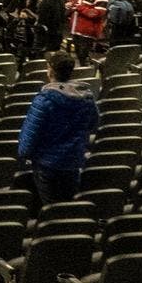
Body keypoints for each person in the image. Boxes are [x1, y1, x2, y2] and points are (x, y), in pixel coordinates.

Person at [18, 52, 100, 207]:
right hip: (73, 160)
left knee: (52, 208)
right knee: (68, 205)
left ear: (50, 70)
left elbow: (29, 137)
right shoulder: (86, 97)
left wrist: (25, 154)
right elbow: (93, 123)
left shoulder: (43, 101)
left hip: (47, 164)